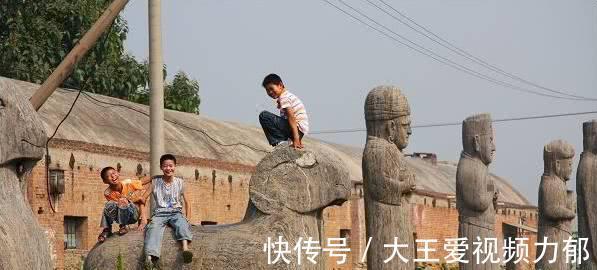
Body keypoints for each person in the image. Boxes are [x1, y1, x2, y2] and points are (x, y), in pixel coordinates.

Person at [144, 154, 193, 266]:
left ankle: (185, 249)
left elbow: (188, 202)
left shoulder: (180, 182)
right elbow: (143, 198)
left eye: (171, 165)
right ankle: (150, 256)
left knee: (182, 224)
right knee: (153, 228)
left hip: (175, 212)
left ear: (175, 166)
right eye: (165, 166)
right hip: (160, 213)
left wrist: (188, 218)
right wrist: (143, 218)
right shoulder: (155, 182)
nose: (168, 168)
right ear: (161, 167)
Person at [97, 167, 150, 243]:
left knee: (122, 201)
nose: (113, 176)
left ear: (118, 173)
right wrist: (135, 199)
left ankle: (123, 225)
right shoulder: (108, 193)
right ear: (105, 181)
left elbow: (143, 182)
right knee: (109, 205)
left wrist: (144, 197)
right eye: (108, 176)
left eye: (114, 173)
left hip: (133, 213)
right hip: (121, 213)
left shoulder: (128, 183)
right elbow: (116, 206)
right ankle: (107, 229)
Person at [258, 73, 309, 149]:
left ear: (280, 85)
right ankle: (286, 141)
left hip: (296, 129)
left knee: (264, 116)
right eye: (267, 90)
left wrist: (296, 138)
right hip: (299, 130)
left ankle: (280, 142)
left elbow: (291, 117)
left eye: (271, 88)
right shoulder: (287, 96)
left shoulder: (284, 98)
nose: (270, 92)